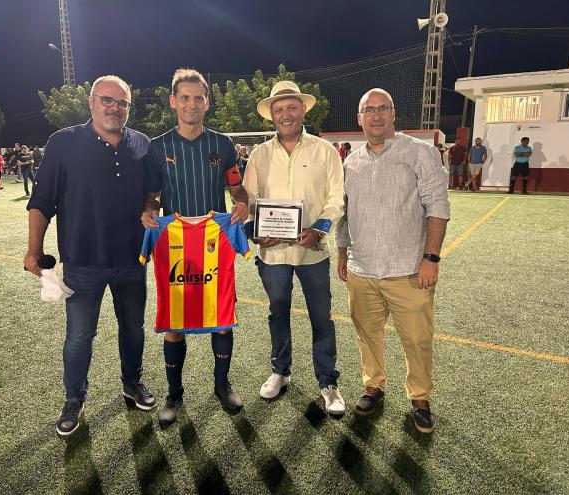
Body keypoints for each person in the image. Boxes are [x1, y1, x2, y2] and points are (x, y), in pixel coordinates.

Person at [24, 75, 157, 437]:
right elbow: (41, 201)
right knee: (80, 335)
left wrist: (150, 206)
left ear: (129, 107)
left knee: (133, 328)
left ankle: (132, 382)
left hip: (133, 260)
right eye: (107, 100)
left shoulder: (143, 143)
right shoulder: (63, 142)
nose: (115, 107)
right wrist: (34, 249)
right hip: (83, 261)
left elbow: (151, 194)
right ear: (91, 102)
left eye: (123, 102)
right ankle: (73, 399)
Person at [336, 88, 450, 433]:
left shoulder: (420, 153)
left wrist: (431, 257)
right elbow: (345, 213)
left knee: (416, 338)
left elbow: (438, 207)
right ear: (359, 118)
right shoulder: (350, 161)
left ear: (393, 113)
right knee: (367, 333)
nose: (375, 115)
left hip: (408, 270)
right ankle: (374, 385)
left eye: (382, 108)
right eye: (368, 110)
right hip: (362, 268)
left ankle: (419, 396)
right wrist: (342, 252)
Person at [142, 68, 249, 428]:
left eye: (198, 98)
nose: (192, 104)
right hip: (173, 246)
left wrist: (242, 203)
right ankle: (175, 395)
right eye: (184, 98)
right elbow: (153, 196)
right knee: (174, 322)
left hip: (211, 243)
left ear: (207, 102)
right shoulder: (158, 147)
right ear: (173, 101)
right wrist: (149, 212)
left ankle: (222, 384)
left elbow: (236, 187)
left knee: (220, 318)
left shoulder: (221, 144)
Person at [243, 80, 346, 416]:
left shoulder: (324, 150)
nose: (285, 114)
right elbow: (249, 200)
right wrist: (256, 233)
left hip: (313, 251)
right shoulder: (259, 154)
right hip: (272, 253)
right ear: (271, 115)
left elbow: (336, 198)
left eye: (291, 107)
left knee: (321, 317)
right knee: (278, 313)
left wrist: (320, 227)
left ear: (303, 110)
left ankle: (328, 381)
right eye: (279, 109)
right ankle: (281, 371)